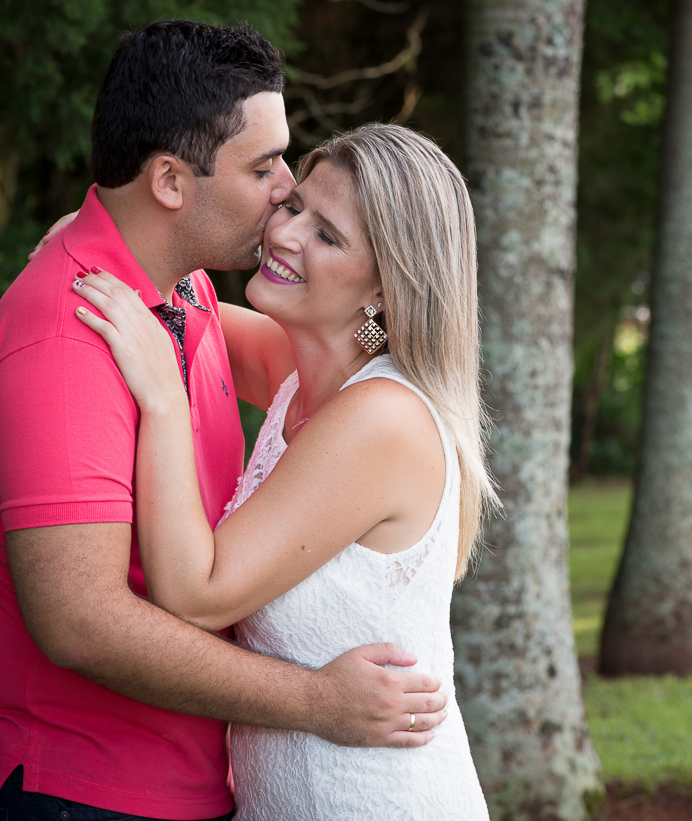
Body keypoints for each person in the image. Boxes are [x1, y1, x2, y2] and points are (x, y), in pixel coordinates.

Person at [0, 22, 446, 821]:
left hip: (206, 787)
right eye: (263, 166)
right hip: (82, 790)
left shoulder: (185, 297)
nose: (286, 190)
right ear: (172, 183)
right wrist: (317, 700)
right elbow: (81, 623)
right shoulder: (72, 338)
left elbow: (339, 370)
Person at [70, 123, 494, 819]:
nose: (286, 235)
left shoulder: (381, 419)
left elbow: (196, 592)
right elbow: (168, 291)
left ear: (384, 288)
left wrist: (164, 403)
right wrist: (99, 234)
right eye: (295, 206)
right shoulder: (307, 373)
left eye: (327, 236)